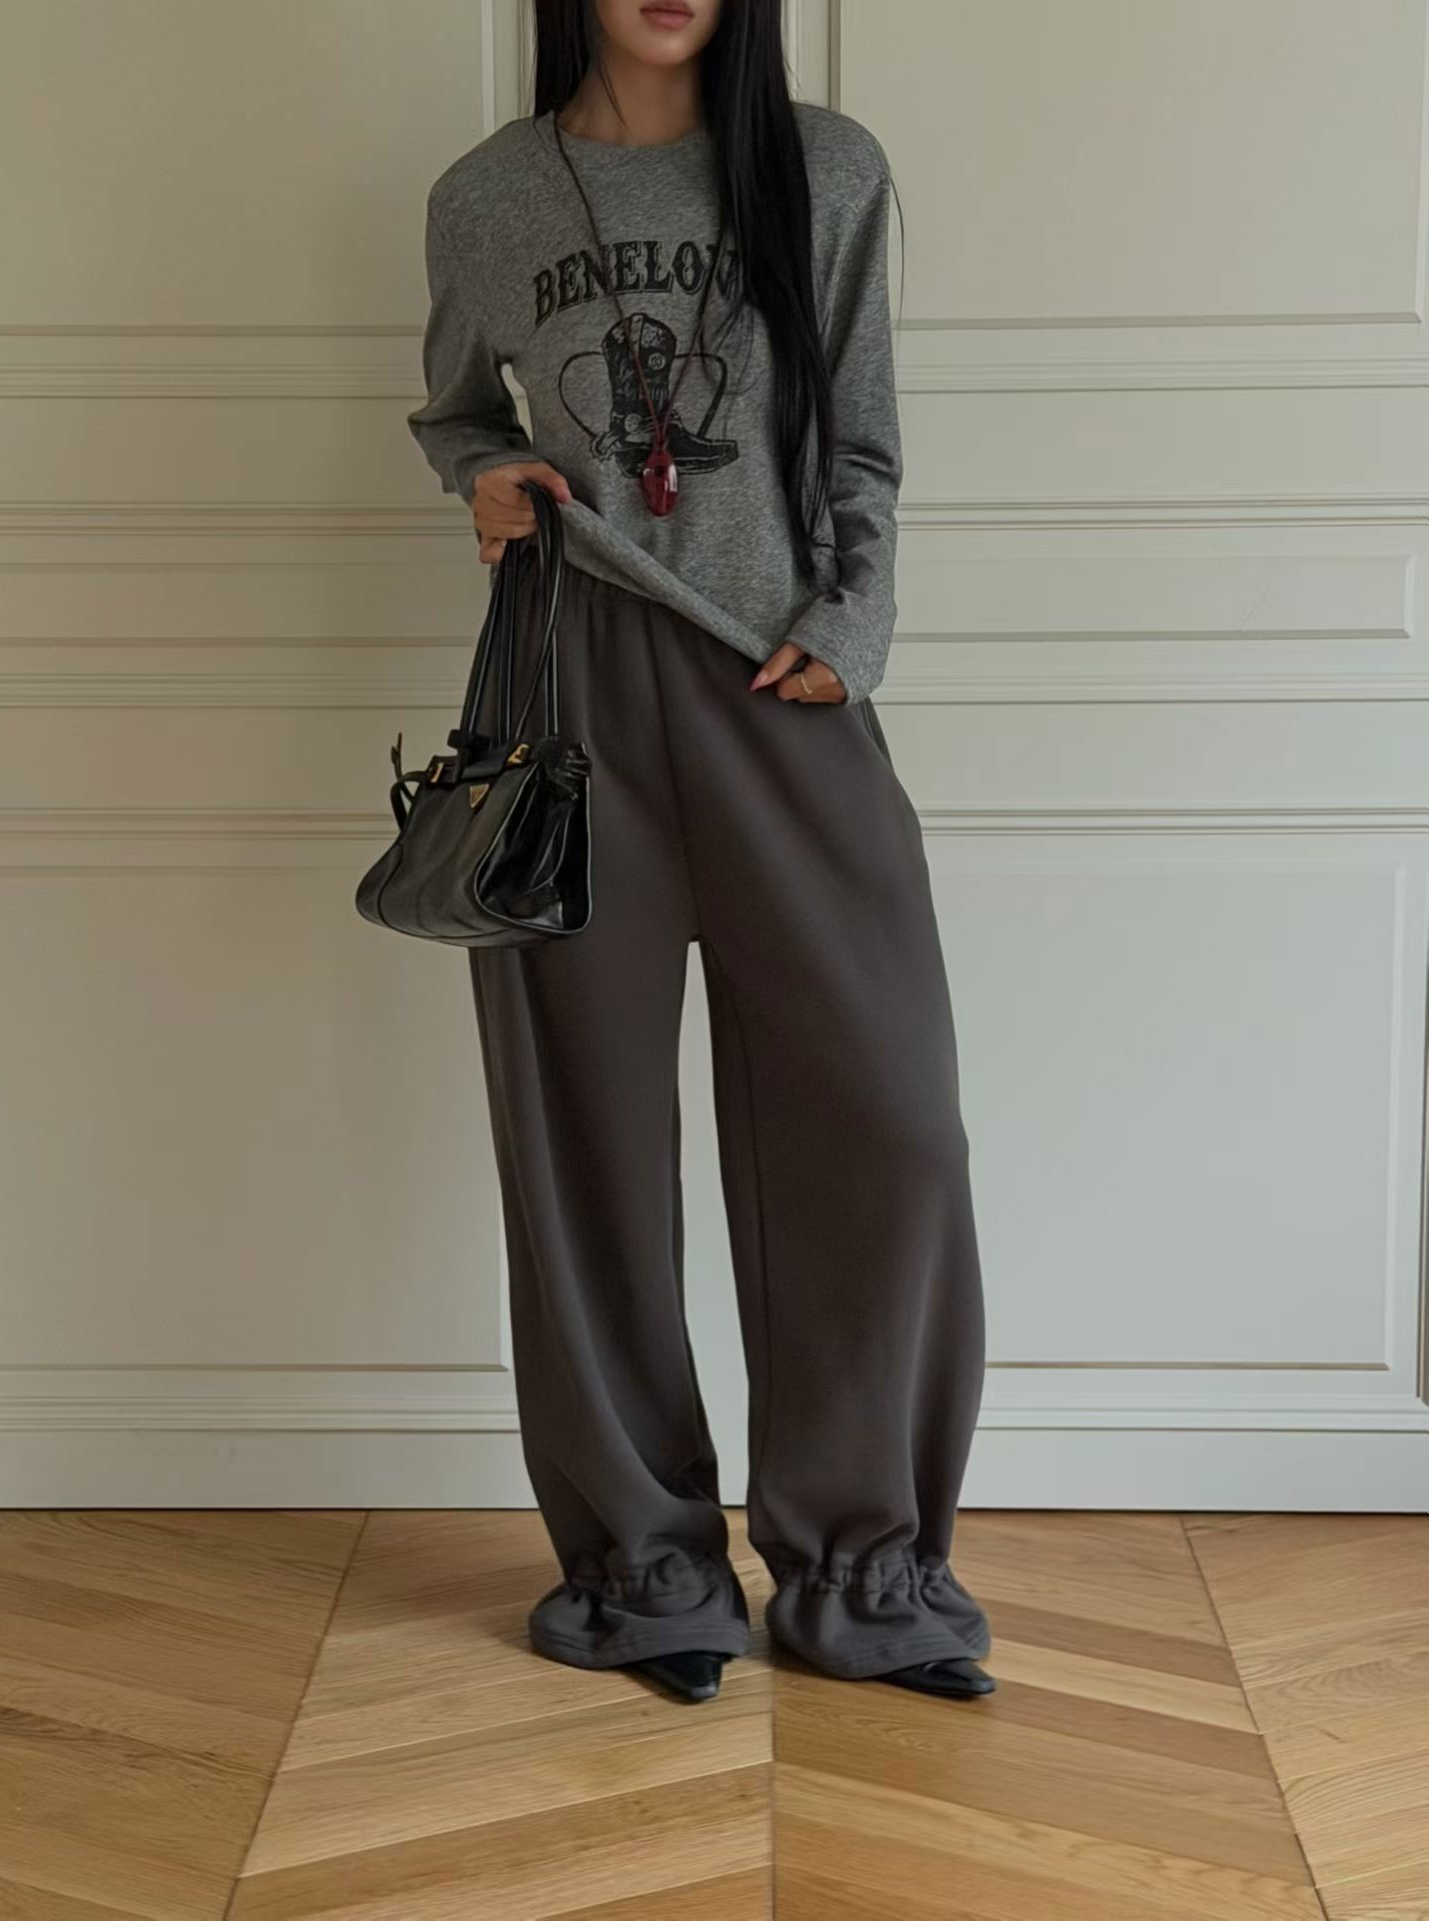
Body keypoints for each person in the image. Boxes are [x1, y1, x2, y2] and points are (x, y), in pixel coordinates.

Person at [405, 0, 995, 1705]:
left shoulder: (824, 169)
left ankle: (863, 1564)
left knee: (888, 1118)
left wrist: (852, 624)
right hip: (572, 686)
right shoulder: (488, 196)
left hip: (780, 681)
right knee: (584, 1136)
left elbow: (864, 436)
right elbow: (455, 410)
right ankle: (644, 1565)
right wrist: (487, 473)